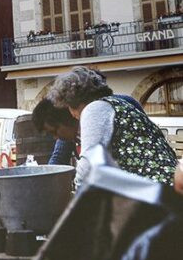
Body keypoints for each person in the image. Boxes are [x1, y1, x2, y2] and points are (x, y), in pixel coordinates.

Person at [49, 66, 177, 188]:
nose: (72, 114)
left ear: (76, 101)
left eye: (70, 107)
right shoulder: (122, 103)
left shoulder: (94, 110)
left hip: (152, 194)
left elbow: (88, 165)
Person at [32, 98, 79, 166]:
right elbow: (58, 159)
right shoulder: (67, 137)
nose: (56, 137)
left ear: (64, 119)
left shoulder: (90, 127)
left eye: (54, 132)